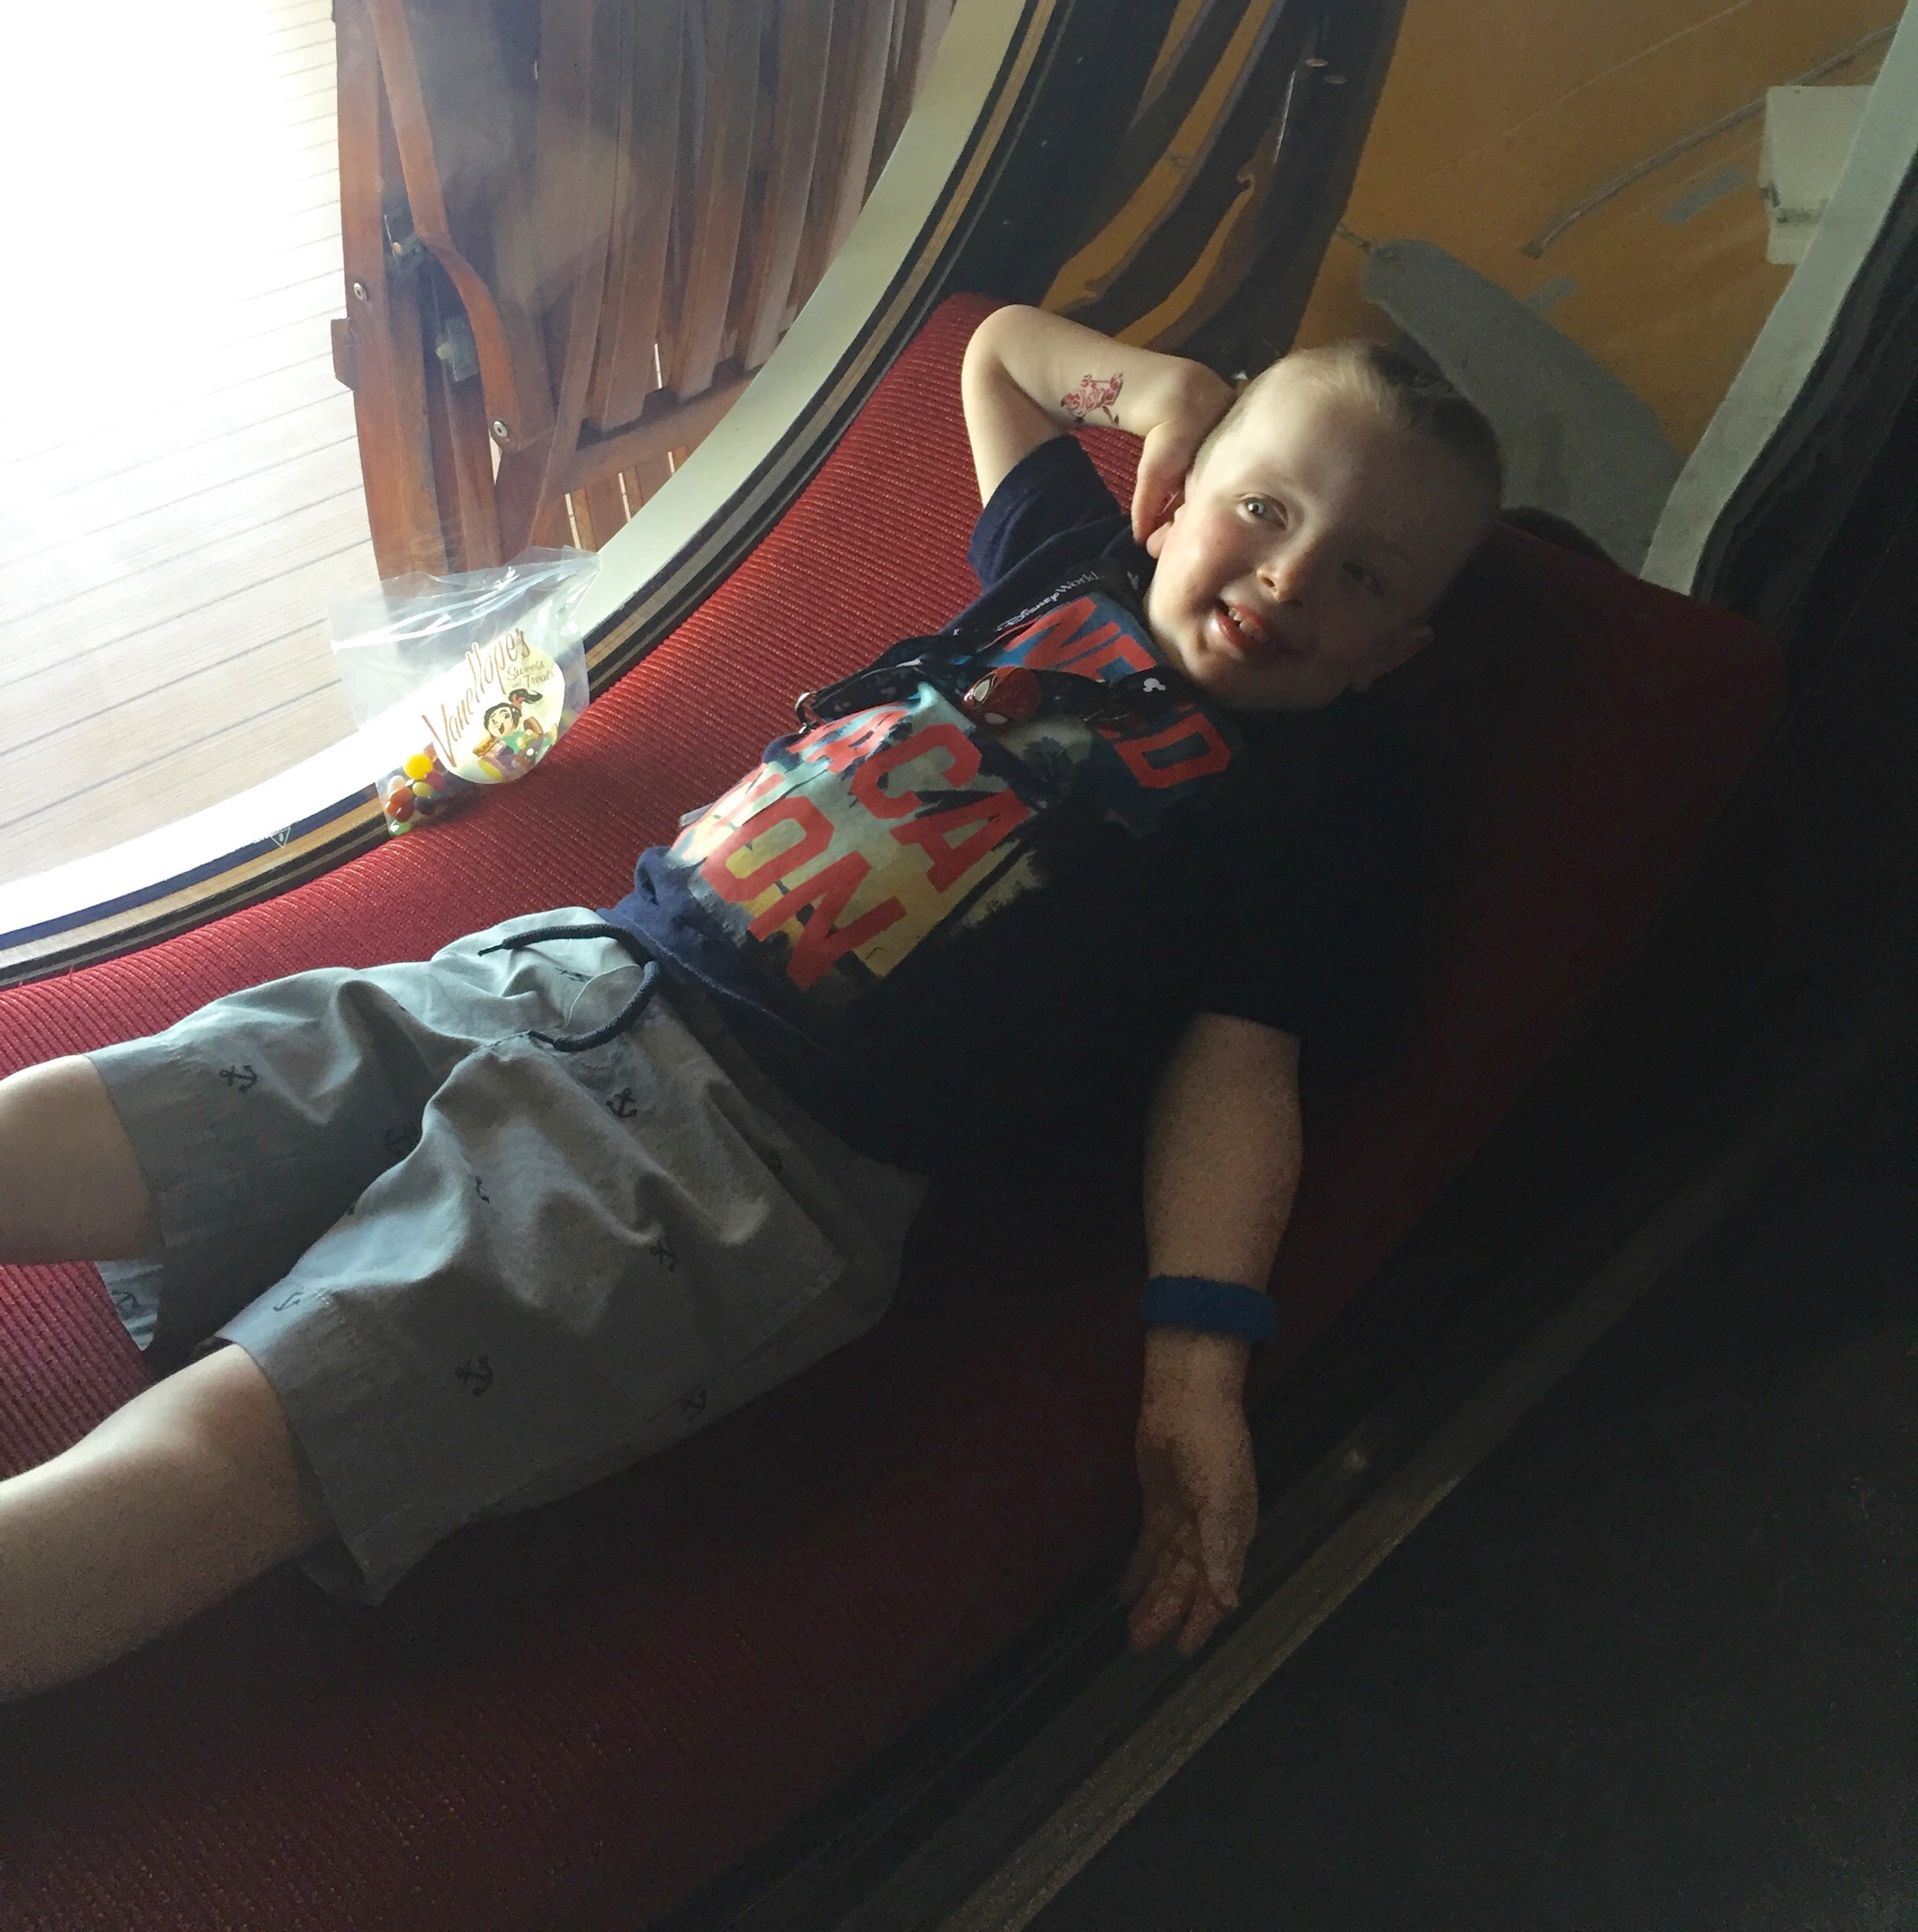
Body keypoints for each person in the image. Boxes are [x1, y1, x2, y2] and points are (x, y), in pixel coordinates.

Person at [0, 305, 1500, 1701]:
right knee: (134, 1111)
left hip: (735, 1180)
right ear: (1175, 489)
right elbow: (996, 355)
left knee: (262, 1432)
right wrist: (1166, 390)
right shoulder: (1069, 560)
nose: (1293, 577)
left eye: (1364, 577)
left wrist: (1194, 1372)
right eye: (1265, 507)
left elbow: (1235, 1077)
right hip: (570, 973)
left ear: (1399, 653)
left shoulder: (1314, 811)